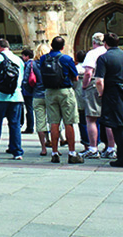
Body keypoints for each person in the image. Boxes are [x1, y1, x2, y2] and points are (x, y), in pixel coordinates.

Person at [94, 41, 123, 168]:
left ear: (105, 44)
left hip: (113, 94)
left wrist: (101, 93)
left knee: (118, 126)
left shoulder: (104, 58)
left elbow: (99, 80)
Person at [37, 36, 83, 164]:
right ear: (63, 47)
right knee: (69, 122)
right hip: (65, 91)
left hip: (50, 92)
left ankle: (54, 152)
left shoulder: (43, 58)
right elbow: (75, 77)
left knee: (54, 122)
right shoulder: (66, 59)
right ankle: (72, 153)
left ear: (51, 45)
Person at [79, 33, 107, 157]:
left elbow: (88, 73)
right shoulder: (108, 52)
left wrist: (84, 86)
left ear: (93, 42)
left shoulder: (92, 53)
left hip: (95, 86)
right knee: (108, 119)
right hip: (108, 86)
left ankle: (93, 148)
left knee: (91, 119)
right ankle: (110, 147)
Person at [19, 48, 45, 151]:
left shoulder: (29, 64)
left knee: (30, 110)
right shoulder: (45, 63)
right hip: (46, 92)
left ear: (27, 56)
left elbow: (26, 79)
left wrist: (28, 90)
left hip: (33, 92)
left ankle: (30, 127)